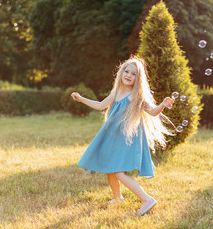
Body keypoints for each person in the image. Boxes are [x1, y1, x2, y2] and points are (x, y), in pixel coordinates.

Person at [70, 56, 175, 216]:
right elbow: (100, 105)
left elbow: (152, 112)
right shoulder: (117, 92)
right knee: (110, 168)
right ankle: (118, 197)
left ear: (138, 79)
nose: (128, 75)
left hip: (127, 138)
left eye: (133, 74)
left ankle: (147, 199)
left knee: (119, 172)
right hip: (114, 136)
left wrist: (162, 105)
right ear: (121, 73)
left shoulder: (136, 95)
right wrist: (81, 99)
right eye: (126, 71)